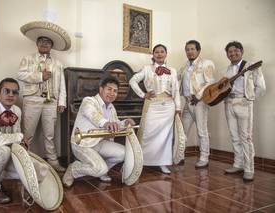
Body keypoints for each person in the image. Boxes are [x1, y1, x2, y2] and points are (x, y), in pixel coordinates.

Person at [62, 76, 135, 187]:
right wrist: (106, 123)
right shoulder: (89, 101)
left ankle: (101, 171)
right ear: (101, 89)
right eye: (109, 89)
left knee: (124, 153)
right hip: (82, 144)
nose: (112, 93)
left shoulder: (111, 107)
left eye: (115, 91)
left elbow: (116, 123)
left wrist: (125, 122)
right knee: (99, 168)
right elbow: (93, 115)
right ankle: (73, 169)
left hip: (99, 142)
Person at [17, 21, 71, 172]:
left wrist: (62, 102)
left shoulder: (58, 64)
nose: (44, 43)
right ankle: (25, 161)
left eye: (48, 42)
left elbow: (62, 85)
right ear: (37, 43)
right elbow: (19, 74)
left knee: (50, 134)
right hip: (32, 99)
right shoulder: (28, 58)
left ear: (51, 45)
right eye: (42, 41)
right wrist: (40, 76)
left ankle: (53, 161)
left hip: (51, 101)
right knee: (28, 133)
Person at [129, 44, 181, 174]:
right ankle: (142, 162)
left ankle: (162, 163)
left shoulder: (172, 70)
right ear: (153, 55)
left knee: (166, 136)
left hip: (169, 105)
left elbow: (176, 90)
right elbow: (132, 81)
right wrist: (143, 94)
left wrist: (178, 107)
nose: (159, 54)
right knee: (147, 133)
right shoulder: (147, 69)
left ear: (166, 54)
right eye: (156, 52)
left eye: (162, 51)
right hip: (153, 104)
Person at [223, 41, 266, 181]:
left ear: (241, 51)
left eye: (236, 51)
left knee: (246, 138)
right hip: (229, 103)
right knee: (234, 136)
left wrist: (249, 99)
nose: (233, 53)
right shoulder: (228, 69)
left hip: (244, 103)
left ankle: (249, 169)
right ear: (227, 54)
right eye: (230, 52)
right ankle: (238, 164)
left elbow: (261, 87)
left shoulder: (250, 66)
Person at [179, 40, 215, 168]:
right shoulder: (184, 66)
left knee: (202, 131)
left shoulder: (206, 63)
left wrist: (199, 96)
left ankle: (204, 158)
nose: (190, 51)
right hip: (188, 101)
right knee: (182, 131)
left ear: (198, 50)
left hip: (200, 102)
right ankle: (180, 156)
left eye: (192, 49)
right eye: (187, 49)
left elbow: (211, 82)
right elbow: (177, 80)